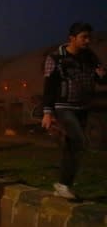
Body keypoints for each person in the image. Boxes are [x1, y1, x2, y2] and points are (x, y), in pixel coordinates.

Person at [41, 22, 107, 200]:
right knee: (79, 140)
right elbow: (49, 87)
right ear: (72, 38)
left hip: (83, 107)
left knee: (73, 148)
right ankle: (58, 131)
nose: (88, 40)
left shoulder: (90, 57)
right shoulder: (56, 58)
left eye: (89, 37)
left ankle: (63, 186)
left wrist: (101, 76)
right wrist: (47, 112)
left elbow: (100, 80)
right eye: (84, 37)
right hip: (64, 107)